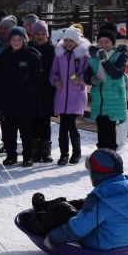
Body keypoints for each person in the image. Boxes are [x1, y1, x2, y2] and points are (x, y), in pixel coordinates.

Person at [25, 149, 128, 250]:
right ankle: (45, 206)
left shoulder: (99, 198)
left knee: (62, 209)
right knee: (85, 203)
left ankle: (35, 223)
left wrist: (52, 238)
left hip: (100, 243)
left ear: (97, 173)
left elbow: (77, 229)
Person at [0, 26, 43, 167]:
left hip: (27, 101)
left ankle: (28, 157)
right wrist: (1, 95)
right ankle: (11, 155)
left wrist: (28, 90)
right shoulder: (4, 56)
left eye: (19, 39)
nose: (16, 41)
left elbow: (39, 76)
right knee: (9, 131)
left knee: (27, 131)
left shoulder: (31, 54)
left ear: (24, 39)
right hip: (9, 101)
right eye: (13, 39)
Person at [86, 27, 128, 150]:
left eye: (106, 41)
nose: (103, 44)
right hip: (98, 99)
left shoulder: (120, 55)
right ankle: (101, 155)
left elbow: (116, 74)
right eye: (100, 41)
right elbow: (87, 74)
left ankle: (110, 154)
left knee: (110, 127)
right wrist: (90, 79)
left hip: (113, 98)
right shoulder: (94, 57)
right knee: (100, 127)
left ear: (112, 43)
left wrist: (105, 61)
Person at [50, 27, 89, 164]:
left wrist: (81, 79)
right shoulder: (59, 55)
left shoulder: (83, 55)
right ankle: (64, 154)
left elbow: (88, 73)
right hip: (62, 95)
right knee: (63, 126)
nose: (68, 43)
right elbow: (53, 72)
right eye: (66, 40)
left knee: (70, 124)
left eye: (71, 40)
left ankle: (76, 153)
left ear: (77, 41)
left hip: (76, 96)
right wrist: (55, 81)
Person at [30, 20, 56, 163]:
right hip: (33, 90)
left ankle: (45, 150)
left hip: (47, 89)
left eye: (42, 34)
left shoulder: (52, 49)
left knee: (45, 121)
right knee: (33, 120)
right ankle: (34, 149)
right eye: (37, 34)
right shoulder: (29, 48)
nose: (40, 37)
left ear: (47, 34)